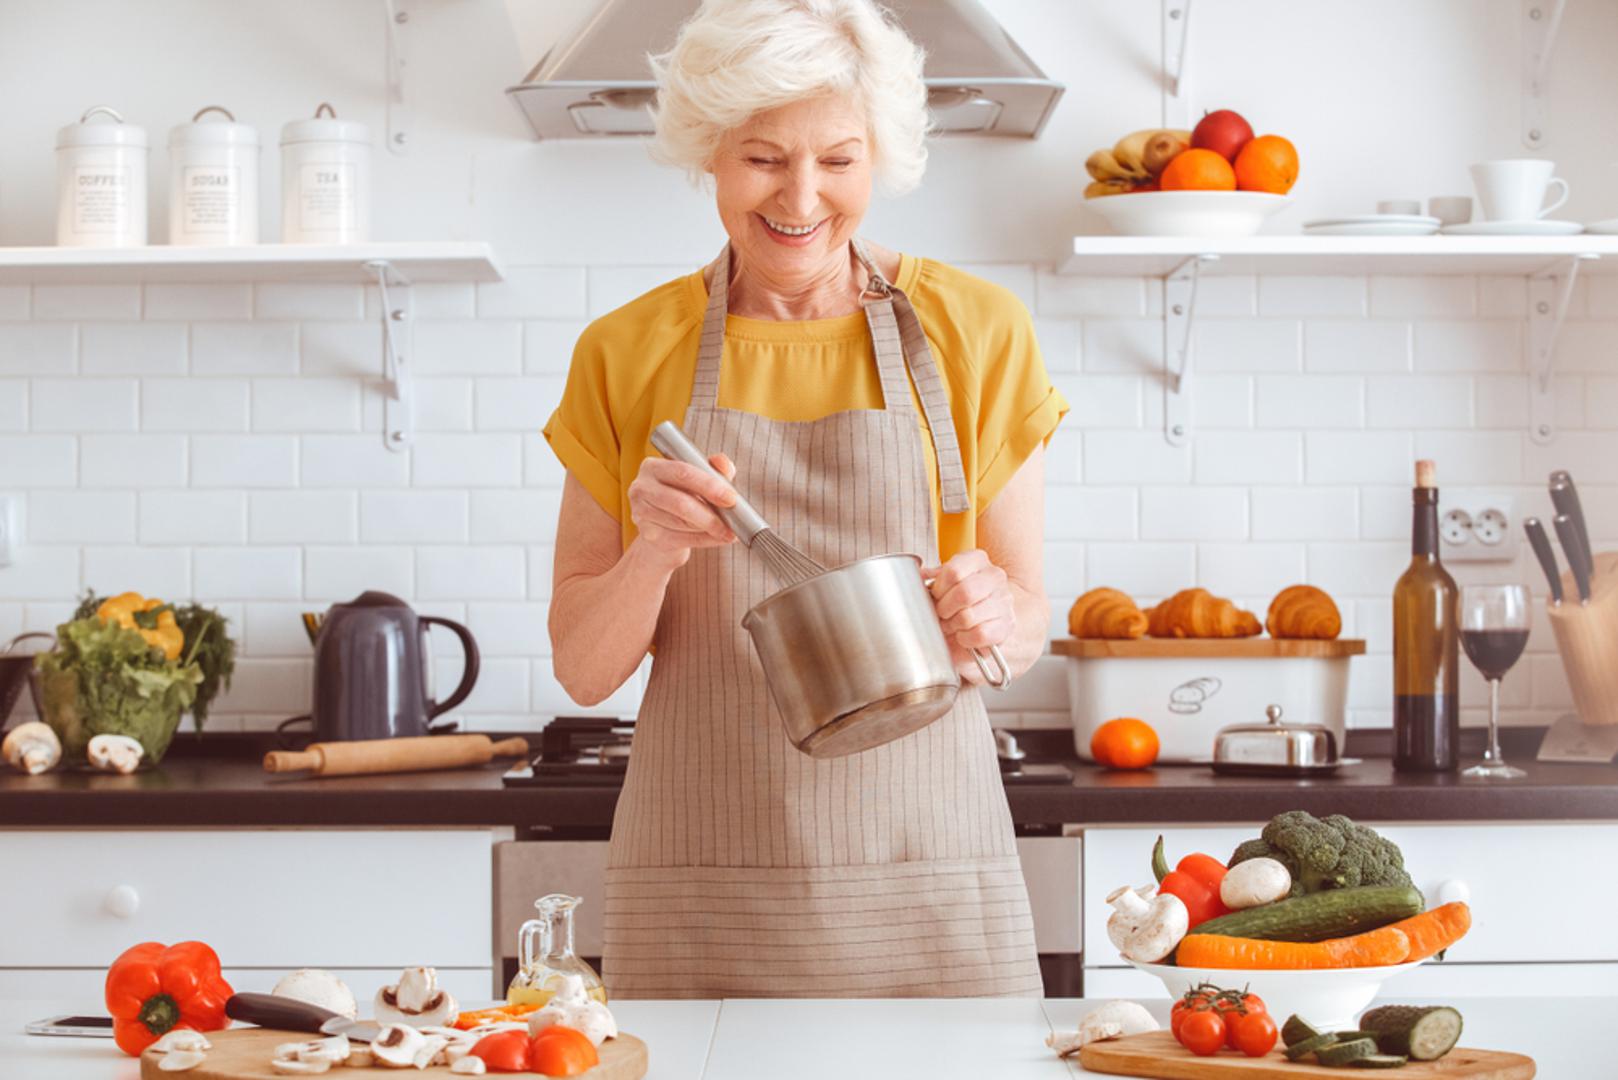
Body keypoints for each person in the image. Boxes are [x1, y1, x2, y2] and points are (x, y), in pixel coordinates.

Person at [543, 0, 1067, 998]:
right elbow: (581, 668)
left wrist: (996, 616)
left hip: (926, 865)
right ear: (709, 152)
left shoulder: (977, 333)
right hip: (704, 873)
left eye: (838, 159)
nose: (800, 196)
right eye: (761, 157)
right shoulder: (623, 353)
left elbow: (1028, 614)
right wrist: (653, 547)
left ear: (880, 160)